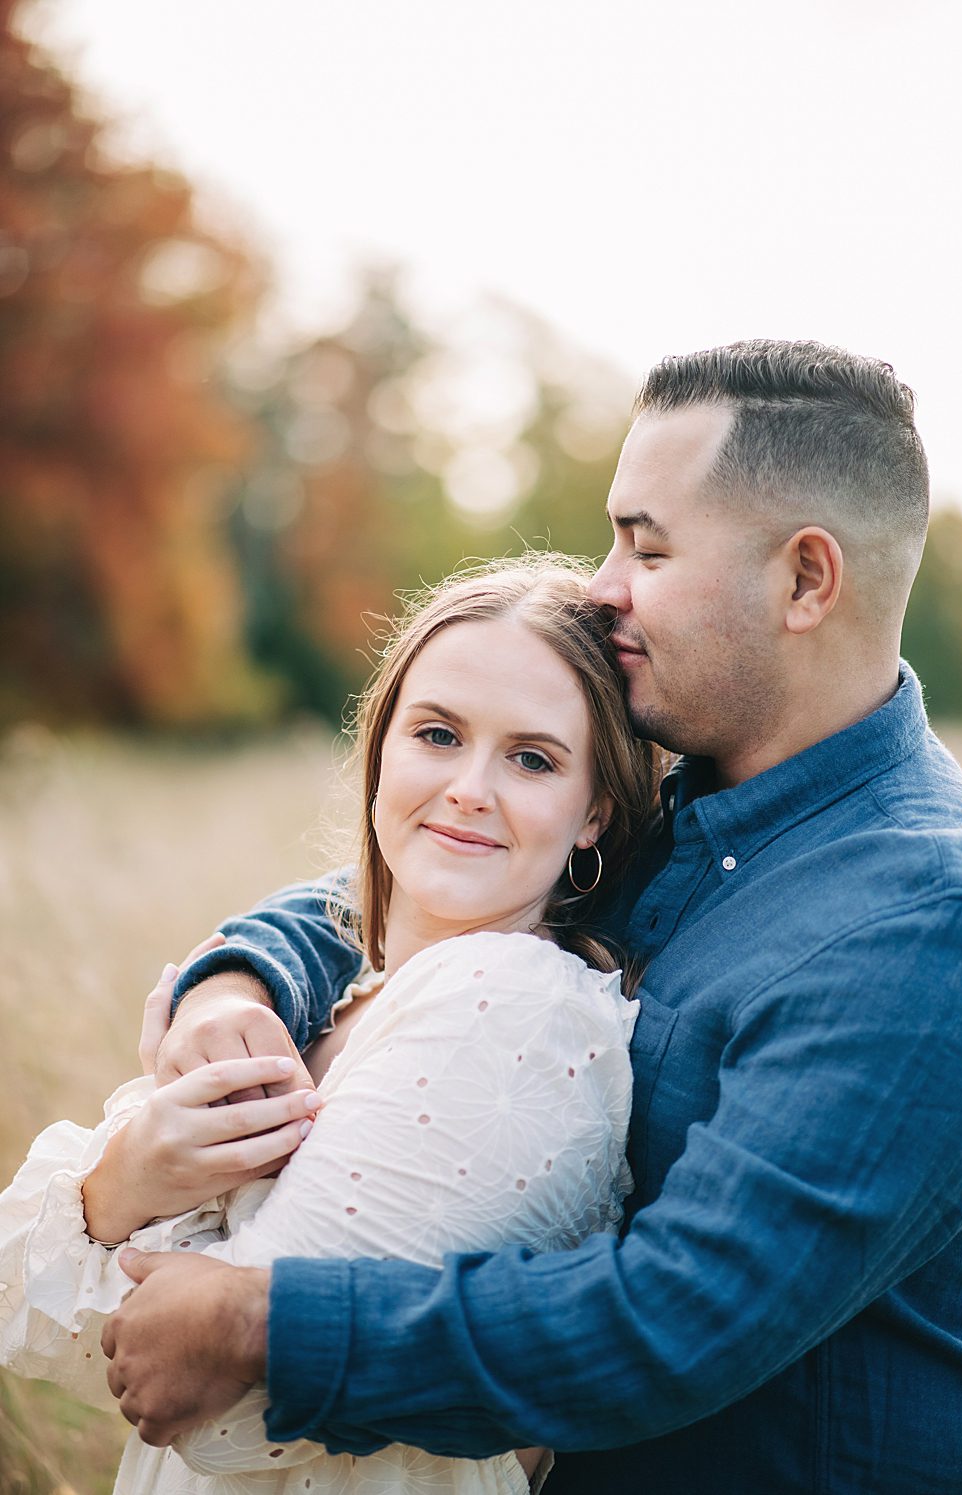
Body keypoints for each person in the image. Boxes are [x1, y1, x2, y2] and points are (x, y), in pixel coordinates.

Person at [97, 340, 962, 1493]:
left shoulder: (919, 918)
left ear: (805, 582)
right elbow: (424, 892)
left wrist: (268, 1328)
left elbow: (678, 1319)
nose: (601, 585)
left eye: (647, 545)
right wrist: (242, 974)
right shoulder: (682, 807)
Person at [0, 558, 659, 1490]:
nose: (471, 786)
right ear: (382, 747)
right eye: (438, 733)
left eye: (531, 758)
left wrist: (116, 1198)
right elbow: (27, 1310)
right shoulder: (339, 988)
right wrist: (125, 1177)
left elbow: (212, 1400)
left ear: (594, 810)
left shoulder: (518, 1011)